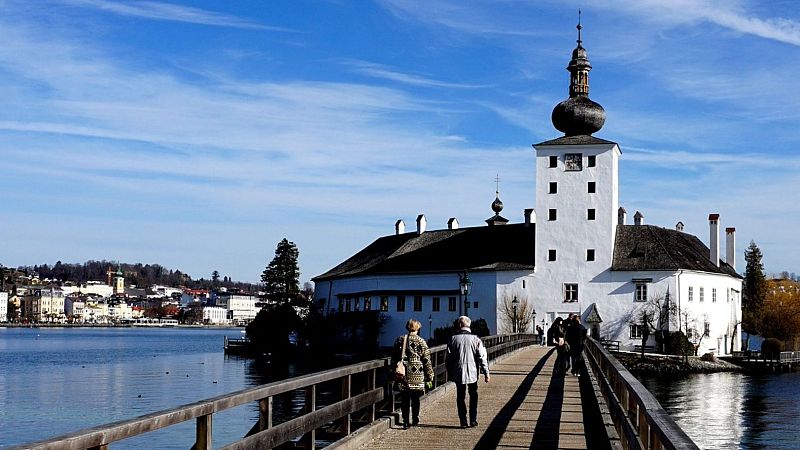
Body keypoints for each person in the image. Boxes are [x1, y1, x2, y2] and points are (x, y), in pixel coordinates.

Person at [446, 316, 490, 428]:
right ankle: (473, 420)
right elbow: (482, 357)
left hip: (458, 372)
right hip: (473, 372)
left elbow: (448, 359)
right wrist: (486, 373)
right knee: (473, 395)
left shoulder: (453, 339)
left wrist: (449, 373)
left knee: (460, 397)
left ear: (460, 325)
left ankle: (463, 421)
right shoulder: (476, 339)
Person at [392, 319, 434, 429]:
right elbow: (426, 360)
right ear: (418, 328)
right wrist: (430, 375)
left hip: (403, 373)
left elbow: (394, 357)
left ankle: (405, 421)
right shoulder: (421, 341)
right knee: (415, 398)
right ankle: (415, 419)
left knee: (405, 398)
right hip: (417, 373)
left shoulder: (400, 339)